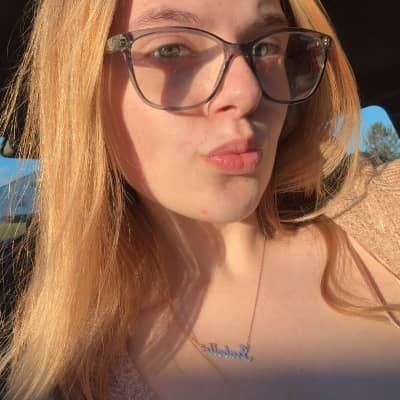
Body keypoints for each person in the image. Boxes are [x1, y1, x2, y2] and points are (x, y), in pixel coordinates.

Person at [0, 0, 399, 399]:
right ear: (79, 84)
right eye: (170, 50)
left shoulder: (386, 211)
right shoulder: (63, 375)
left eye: (265, 46)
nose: (248, 91)